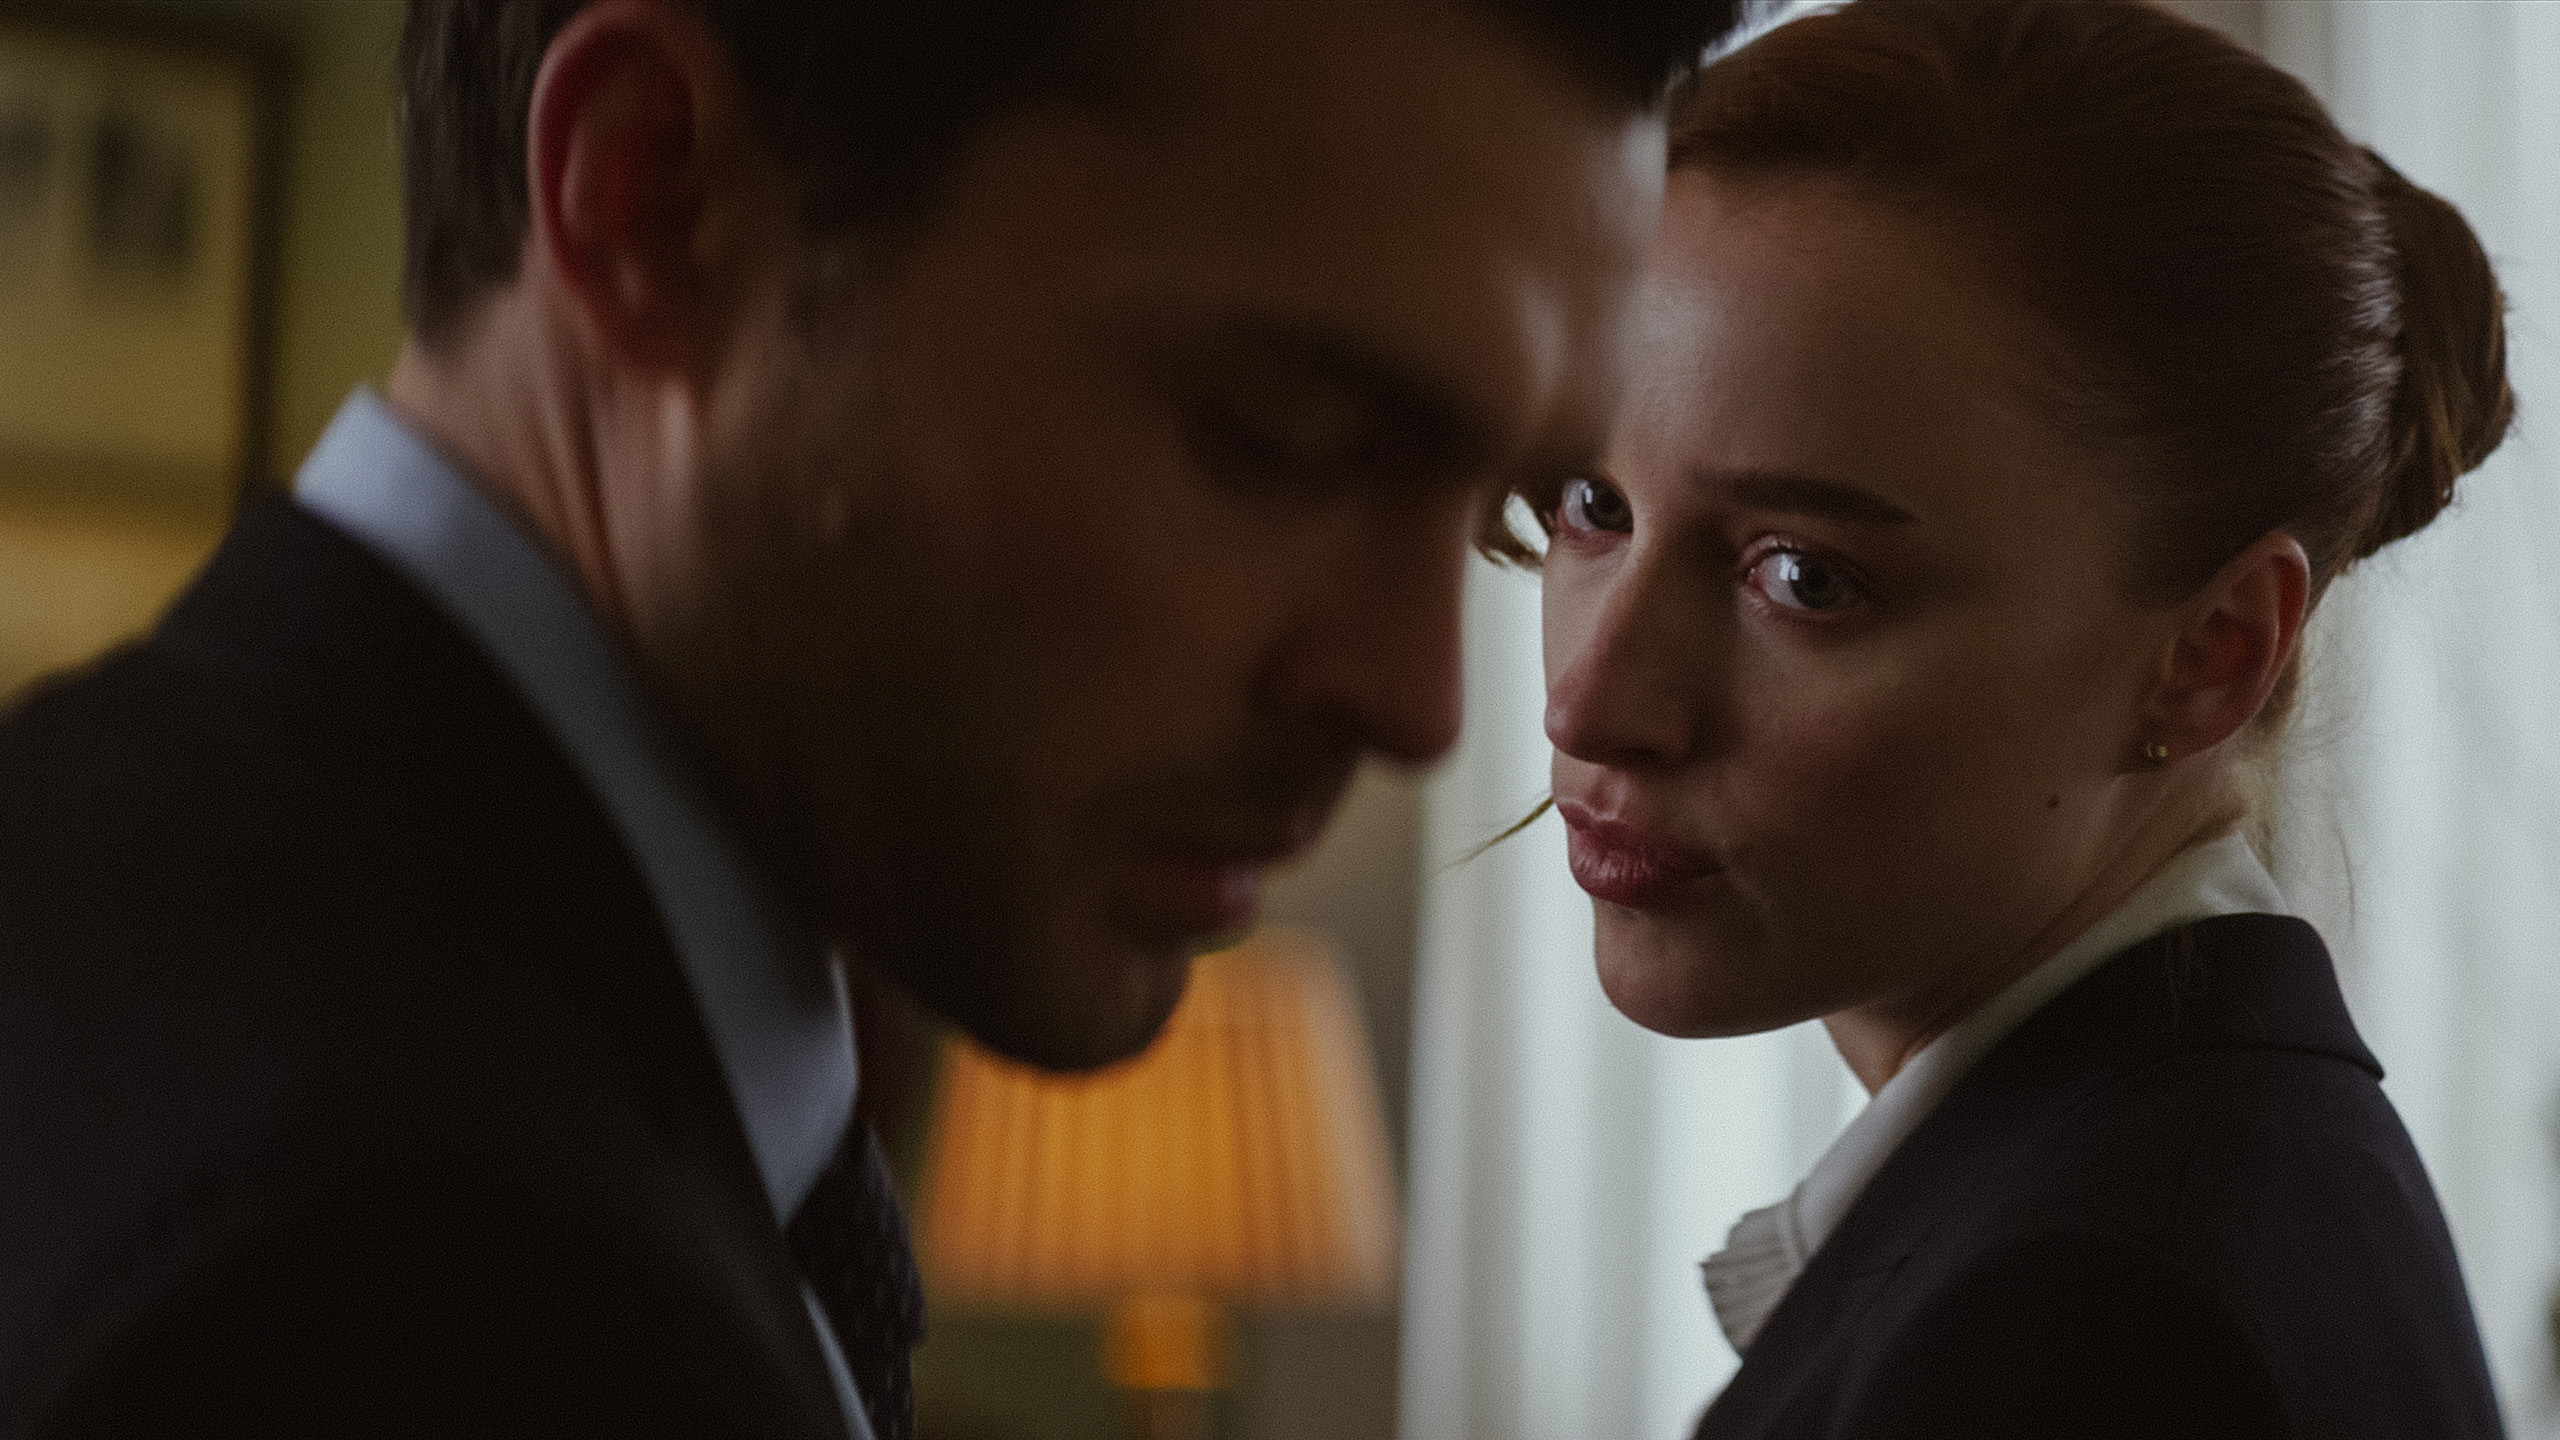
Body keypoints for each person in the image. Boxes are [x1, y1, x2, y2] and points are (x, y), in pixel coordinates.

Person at [0, 1, 1737, 1435]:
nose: (1423, 704)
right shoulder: (397, 1295)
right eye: (1280, 436)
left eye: (1504, 508)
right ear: (656, 198)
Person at [1523, 1, 2513, 1435]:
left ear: (2210, 654)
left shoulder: (2080, 1327)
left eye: (1805, 578)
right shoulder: (2190, 1189)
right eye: (1591, 504)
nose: (1594, 701)